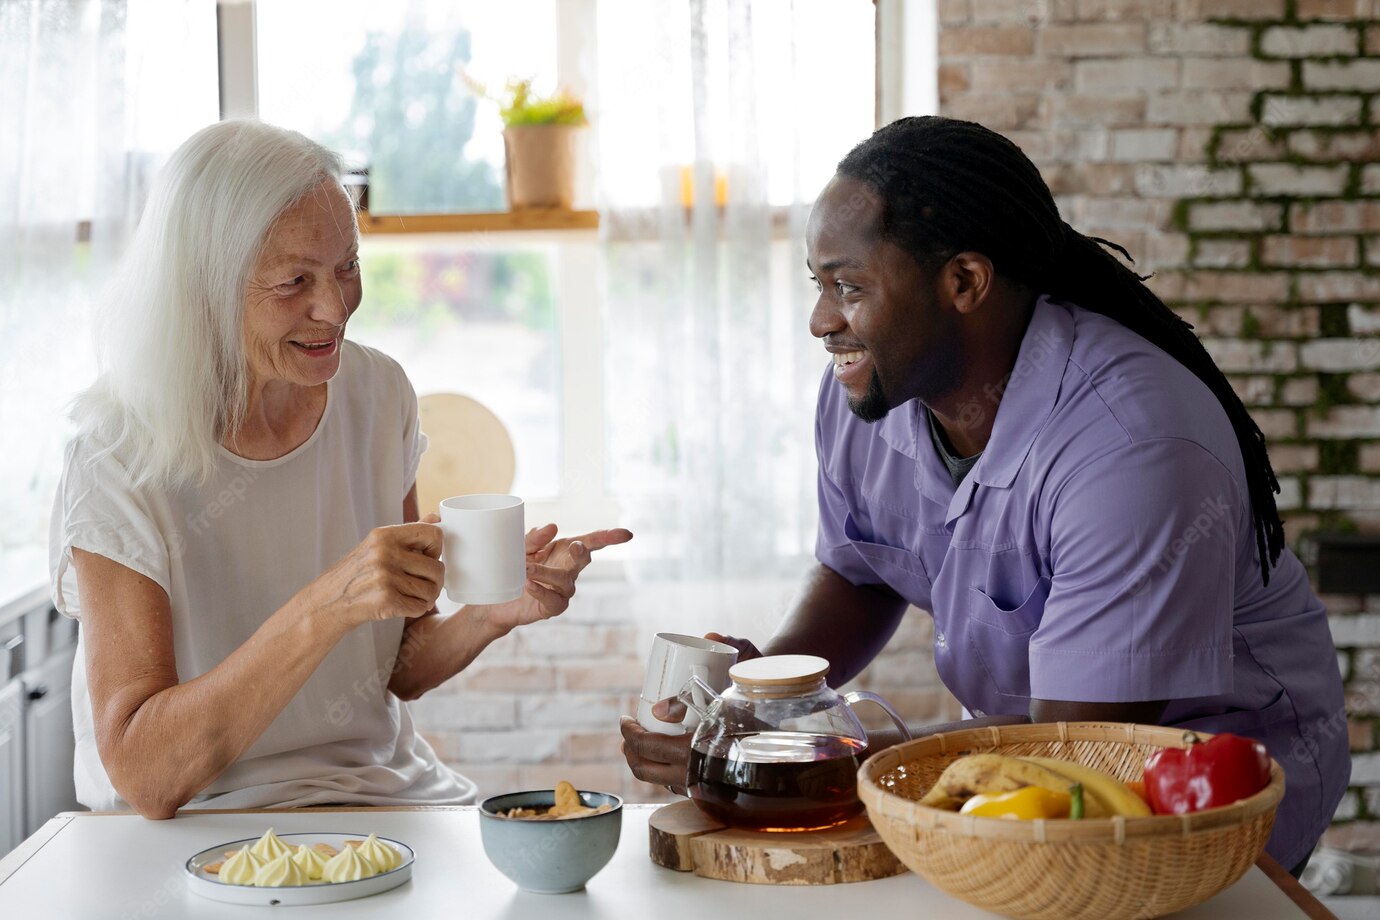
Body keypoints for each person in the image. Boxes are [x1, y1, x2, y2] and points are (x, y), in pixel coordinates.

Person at [620, 116, 1347, 874]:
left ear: (964, 281)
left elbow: (1077, 753)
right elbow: (861, 571)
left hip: (1206, 784)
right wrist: (758, 704)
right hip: (1027, 770)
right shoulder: (868, 392)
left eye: (849, 286)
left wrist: (797, 754)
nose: (821, 321)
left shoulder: (1131, 446)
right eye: (818, 284)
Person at [50, 120, 631, 818]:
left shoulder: (379, 396)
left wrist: (487, 616)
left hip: (383, 803)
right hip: (204, 828)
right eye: (295, 281)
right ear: (204, 285)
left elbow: (396, 668)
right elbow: (146, 775)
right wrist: (332, 601)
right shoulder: (118, 448)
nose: (335, 309)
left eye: (347, 267)